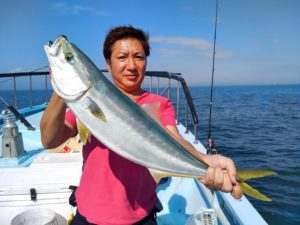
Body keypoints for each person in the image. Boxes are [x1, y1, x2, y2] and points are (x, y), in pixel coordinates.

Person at [40, 25, 242, 225]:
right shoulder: (86, 102)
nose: (131, 65)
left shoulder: (159, 104)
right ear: (108, 64)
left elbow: (174, 138)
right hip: (88, 215)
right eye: (122, 57)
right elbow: (50, 140)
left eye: (139, 57)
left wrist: (205, 161)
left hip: (140, 217)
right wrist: (62, 84)